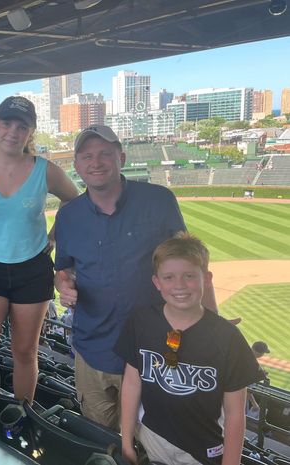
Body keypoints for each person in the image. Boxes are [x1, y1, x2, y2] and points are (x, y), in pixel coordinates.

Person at [54, 125, 218, 430]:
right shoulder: (67, 217)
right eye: (86, 156)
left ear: (122, 157)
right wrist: (63, 284)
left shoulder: (159, 200)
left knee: (151, 443)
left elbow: (191, 264)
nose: (96, 161)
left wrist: (212, 325)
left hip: (153, 353)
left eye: (105, 153)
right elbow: (63, 269)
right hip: (92, 350)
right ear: (76, 166)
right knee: (101, 441)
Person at [0, 96, 78, 419]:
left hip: (32, 272)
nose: (13, 131)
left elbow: (73, 200)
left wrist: (54, 236)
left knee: (25, 353)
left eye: (21, 126)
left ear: (31, 131)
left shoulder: (44, 170)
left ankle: (24, 421)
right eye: (6, 123)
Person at [115, 232, 263, 465]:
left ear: (207, 278)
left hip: (203, 450)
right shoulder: (140, 322)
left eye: (189, 276)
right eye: (169, 277)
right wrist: (126, 442)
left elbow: (235, 414)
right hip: (152, 438)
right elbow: (132, 383)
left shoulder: (229, 337)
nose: (179, 286)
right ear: (157, 282)